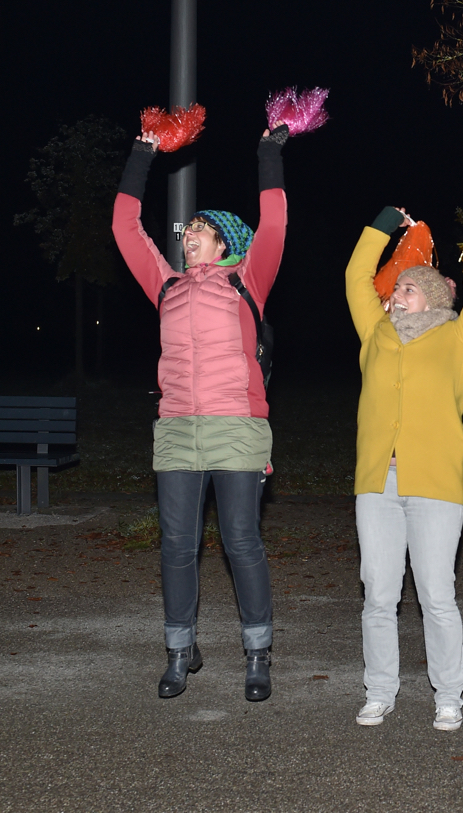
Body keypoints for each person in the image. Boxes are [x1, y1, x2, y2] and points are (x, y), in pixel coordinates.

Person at [112, 123, 289, 701]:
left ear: (226, 245)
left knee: (241, 541)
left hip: (237, 427)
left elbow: (275, 224)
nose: (190, 236)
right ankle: (179, 651)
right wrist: (143, 152)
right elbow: (124, 227)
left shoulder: (247, 282)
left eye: (203, 231)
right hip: (176, 431)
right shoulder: (165, 287)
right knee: (176, 545)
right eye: (188, 229)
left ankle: (258, 654)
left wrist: (267, 152)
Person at [345, 196, 463, 730]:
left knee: (437, 596)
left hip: (436, 485)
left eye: (408, 288)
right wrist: (385, 222)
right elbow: (356, 274)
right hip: (377, 482)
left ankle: (449, 696)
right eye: (395, 290)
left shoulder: (459, 337)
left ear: (434, 295)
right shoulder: (374, 333)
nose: (396, 295)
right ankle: (380, 691)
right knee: (379, 595)